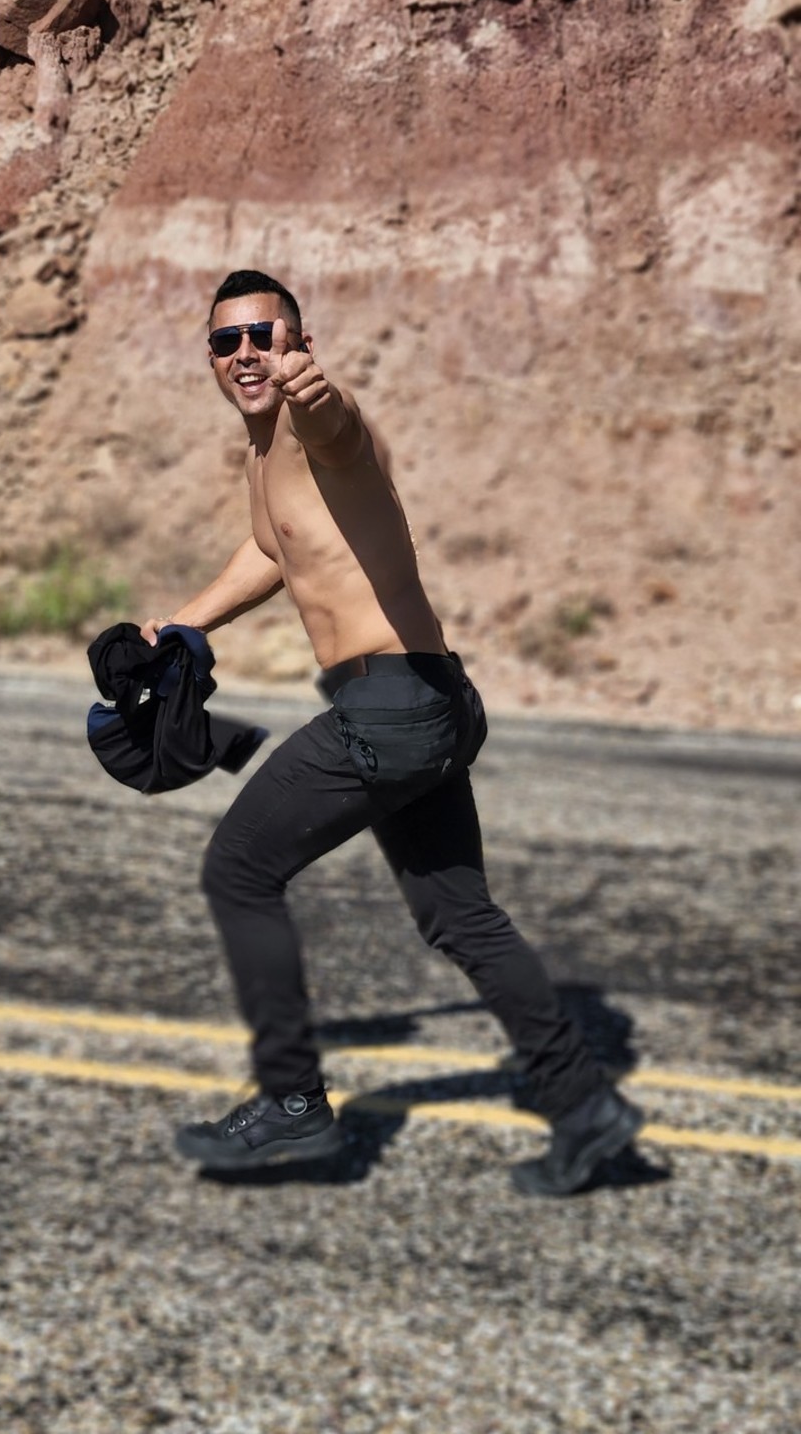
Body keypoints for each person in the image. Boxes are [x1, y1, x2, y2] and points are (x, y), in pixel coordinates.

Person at [140, 269, 643, 1196]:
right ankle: (585, 1107)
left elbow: (341, 431)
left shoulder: (319, 427)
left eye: (265, 336)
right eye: (225, 340)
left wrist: (317, 396)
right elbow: (275, 550)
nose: (246, 353)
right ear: (209, 356)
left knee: (239, 870)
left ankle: (292, 1102)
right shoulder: (262, 455)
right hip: (431, 698)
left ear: (301, 344)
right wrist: (182, 625)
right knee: (460, 914)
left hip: (390, 709)